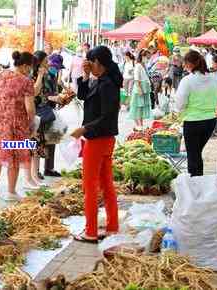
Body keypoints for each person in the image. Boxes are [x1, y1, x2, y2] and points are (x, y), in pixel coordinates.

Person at [71, 46, 122, 243]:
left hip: (98, 139)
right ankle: (112, 226)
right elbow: (83, 96)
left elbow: (107, 116)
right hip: (103, 139)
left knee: (90, 186)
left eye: (90, 62)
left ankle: (91, 231)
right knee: (106, 183)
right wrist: (84, 75)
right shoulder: (101, 80)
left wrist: (83, 129)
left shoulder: (107, 84)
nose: (88, 65)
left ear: (98, 63)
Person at [0, 51, 36, 201]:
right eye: (30, 67)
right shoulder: (26, 82)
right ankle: (11, 192)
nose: (30, 70)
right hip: (16, 124)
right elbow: (30, 108)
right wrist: (32, 123)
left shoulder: (0, 76)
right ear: (25, 66)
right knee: (14, 156)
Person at [175, 50, 217, 177]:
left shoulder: (187, 80)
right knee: (196, 153)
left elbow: (180, 103)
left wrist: (181, 111)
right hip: (210, 121)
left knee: (193, 155)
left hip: (193, 122)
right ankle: (198, 182)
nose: (184, 66)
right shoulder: (214, 78)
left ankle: (195, 184)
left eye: (185, 63)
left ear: (190, 64)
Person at [129, 50, 152, 129]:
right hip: (140, 88)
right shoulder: (138, 65)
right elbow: (137, 78)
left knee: (141, 108)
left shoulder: (144, 65)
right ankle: (139, 125)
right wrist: (139, 89)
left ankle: (140, 125)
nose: (148, 58)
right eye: (147, 56)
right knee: (137, 107)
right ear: (142, 56)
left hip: (144, 88)